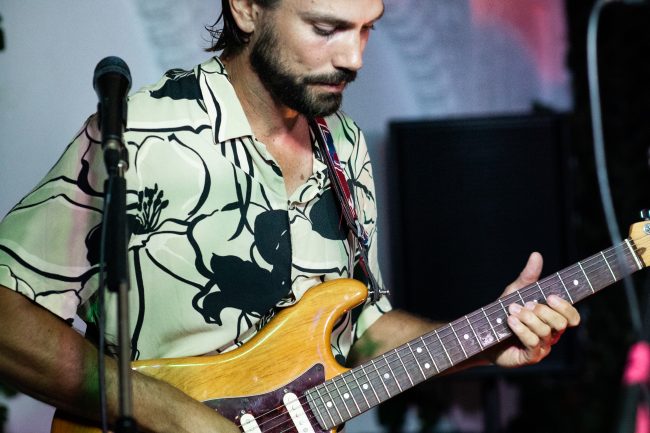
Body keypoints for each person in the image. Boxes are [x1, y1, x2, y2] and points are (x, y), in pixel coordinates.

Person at [0, 0, 580, 432]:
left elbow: (363, 333)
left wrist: (486, 338)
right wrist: (174, 414)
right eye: (326, 29)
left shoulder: (344, 146)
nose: (353, 58)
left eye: (367, 28)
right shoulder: (146, 133)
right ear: (247, 9)